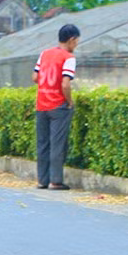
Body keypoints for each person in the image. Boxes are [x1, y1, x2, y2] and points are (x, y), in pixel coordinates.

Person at [33, 24, 80, 190]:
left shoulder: (44, 54)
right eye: (76, 41)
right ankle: (55, 181)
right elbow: (65, 84)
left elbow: (35, 77)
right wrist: (69, 101)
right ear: (72, 39)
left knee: (43, 143)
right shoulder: (68, 57)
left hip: (41, 103)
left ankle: (42, 180)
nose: (76, 45)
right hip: (58, 105)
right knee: (58, 143)